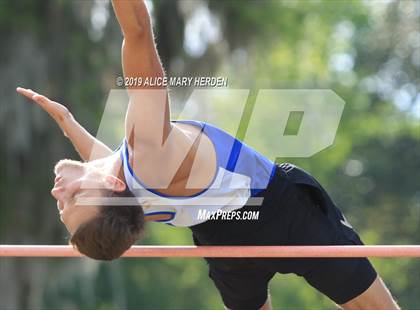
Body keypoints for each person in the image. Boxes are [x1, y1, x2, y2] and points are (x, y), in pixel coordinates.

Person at [16, 1, 400, 309]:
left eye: (63, 203)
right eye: (72, 199)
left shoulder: (129, 198)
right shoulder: (146, 153)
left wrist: (68, 122)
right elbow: (136, 32)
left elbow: (103, 165)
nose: (57, 193)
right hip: (265, 218)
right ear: (114, 187)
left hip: (241, 227)